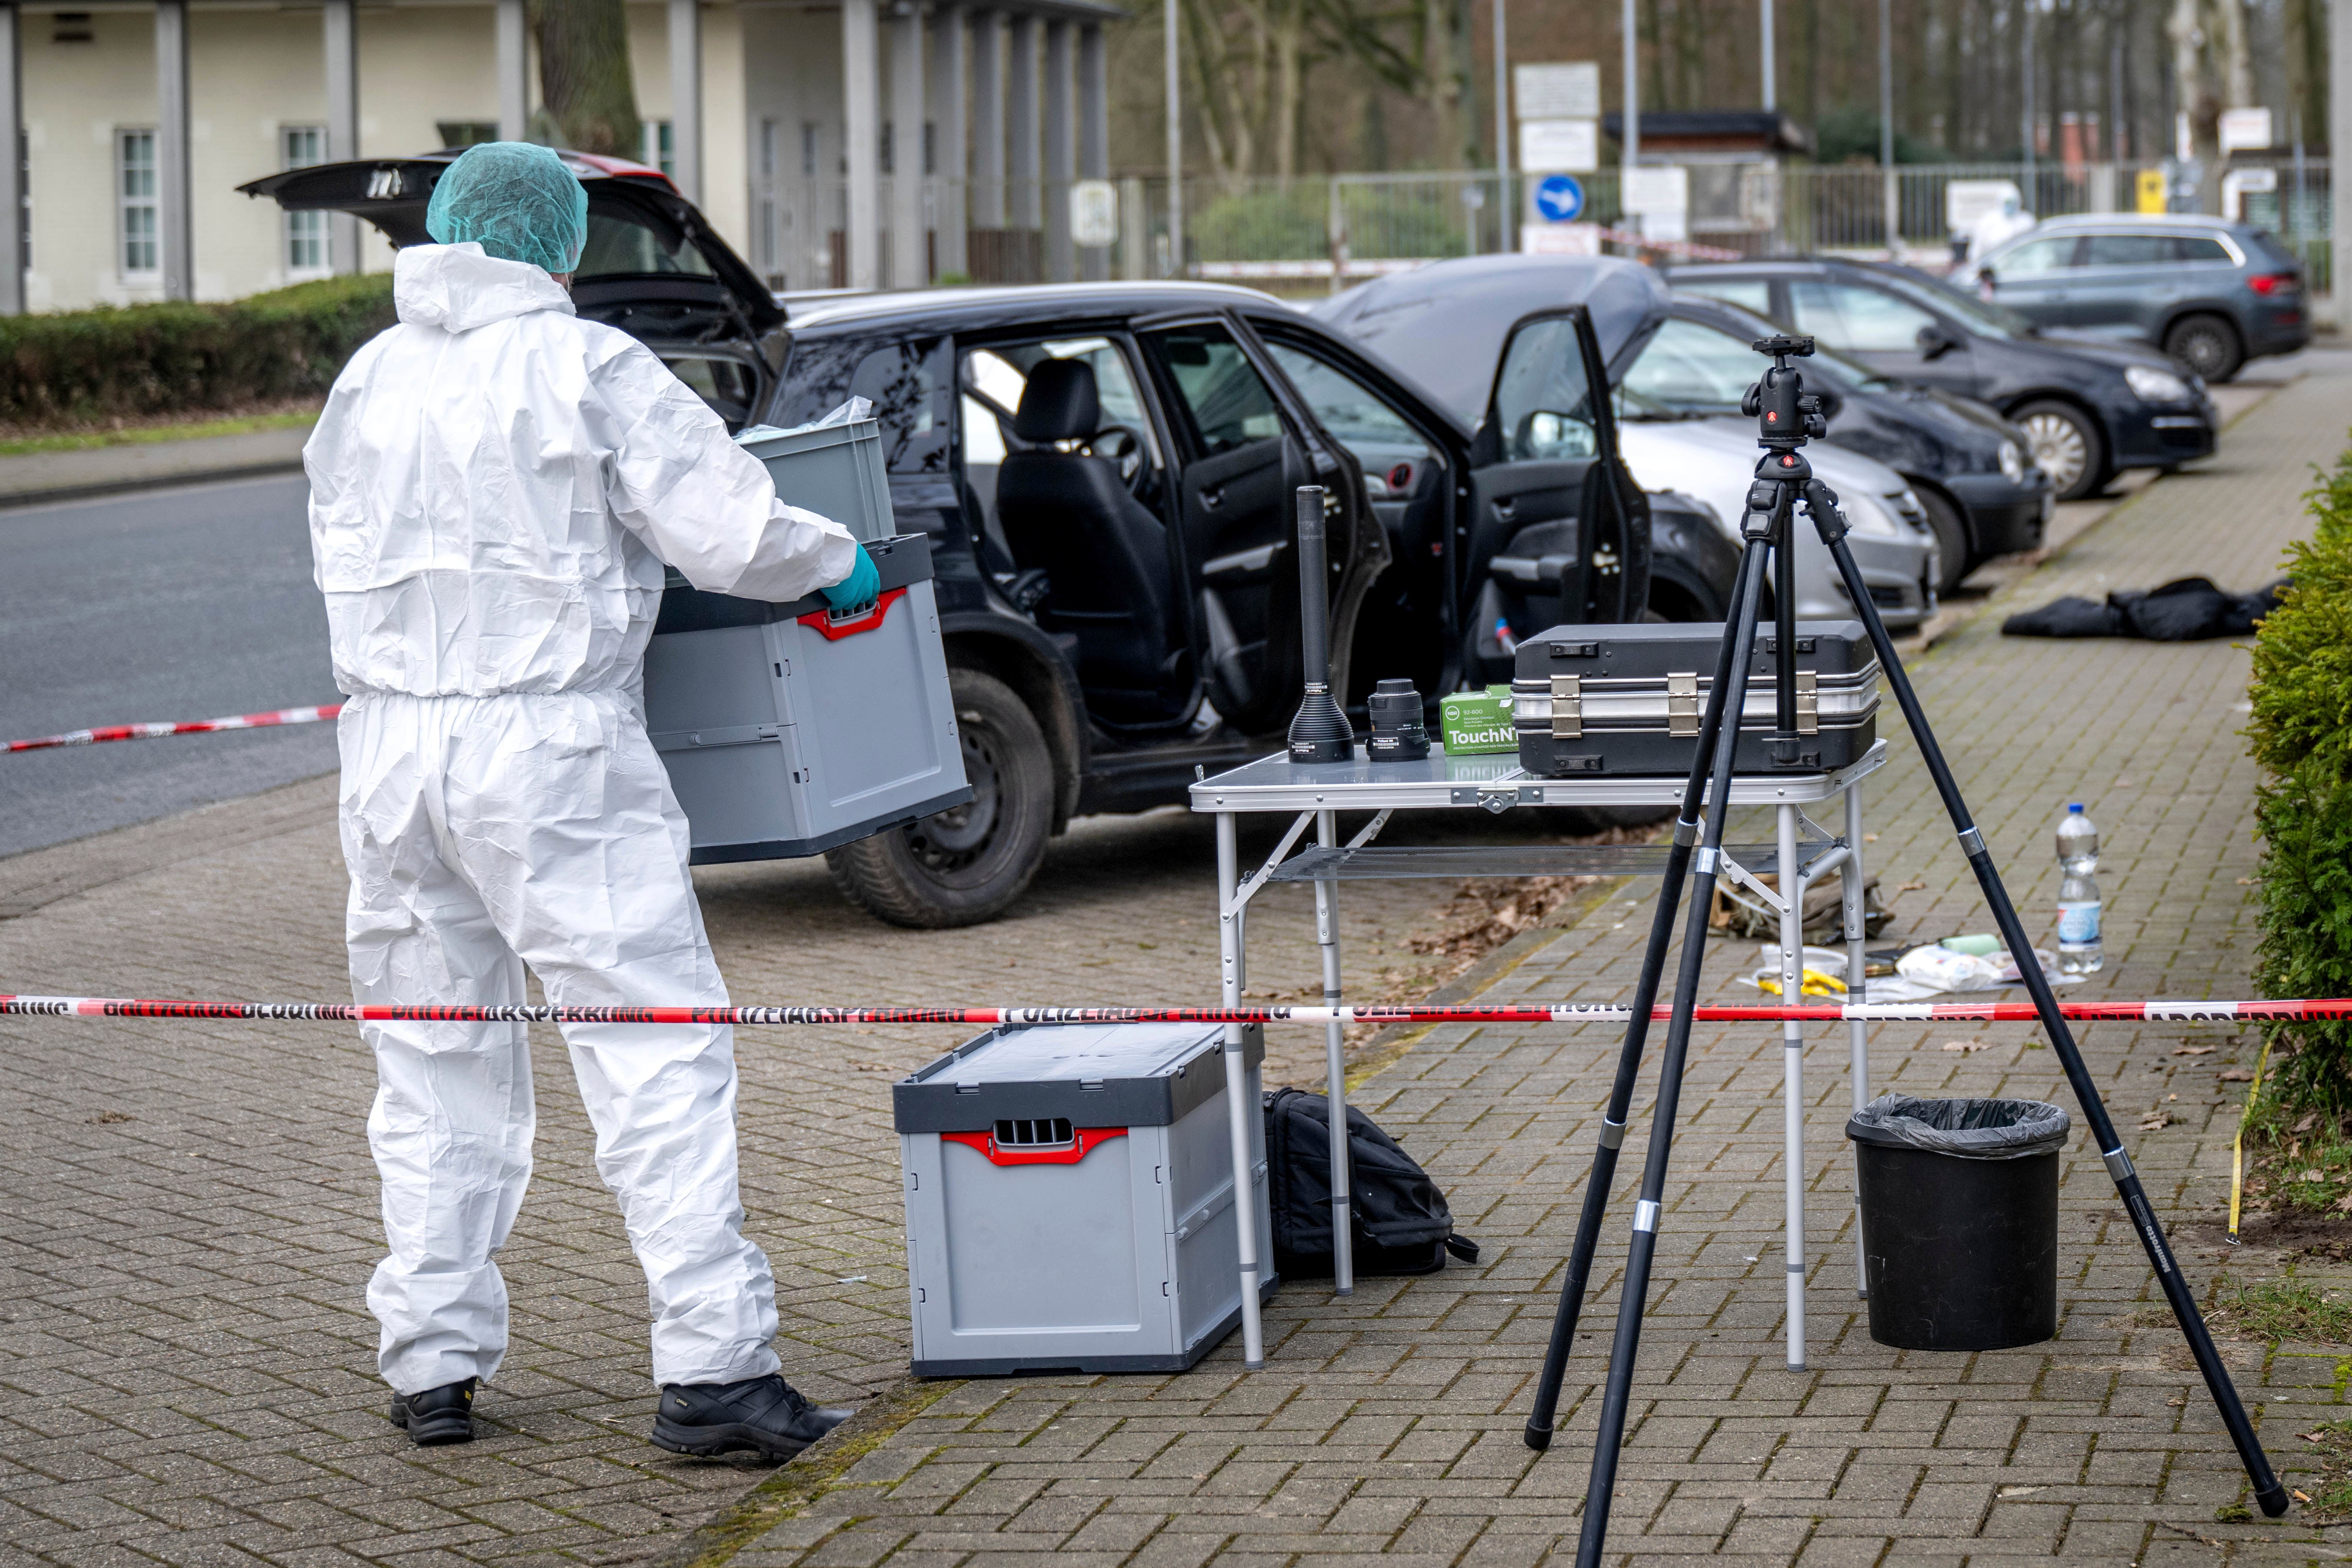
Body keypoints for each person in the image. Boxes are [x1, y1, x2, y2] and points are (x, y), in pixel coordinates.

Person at [304, 142, 873, 1457]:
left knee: (430, 1051)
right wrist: (835, 559)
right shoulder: (589, 367)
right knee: (651, 1045)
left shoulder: (368, 380)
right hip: (550, 750)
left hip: (388, 754)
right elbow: (726, 529)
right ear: (560, 248)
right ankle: (717, 1372)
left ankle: (432, 1361)